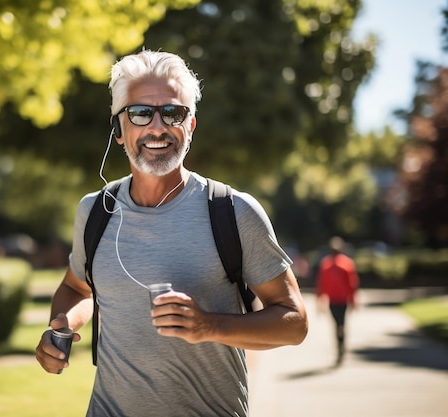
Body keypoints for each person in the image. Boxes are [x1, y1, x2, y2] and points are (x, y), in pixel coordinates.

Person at [36, 49, 308, 416]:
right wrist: (63, 326)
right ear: (119, 129)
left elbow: (294, 323)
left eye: (173, 113)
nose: (157, 127)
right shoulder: (95, 210)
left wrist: (209, 326)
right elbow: (77, 288)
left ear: (190, 126)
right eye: (141, 113)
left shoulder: (233, 211)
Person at [316, 236, 359, 365]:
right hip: (342, 300)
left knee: (337, 324)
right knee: (341, 323)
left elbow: (321, 285)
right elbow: (352, 284)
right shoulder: (347, 263)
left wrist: (320, 301)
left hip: (333, 300)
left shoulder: (326, 264)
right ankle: (341, 344)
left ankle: (340, 345)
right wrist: (353, 300)